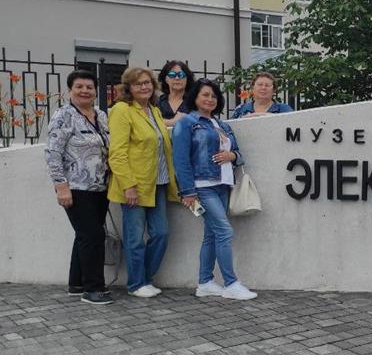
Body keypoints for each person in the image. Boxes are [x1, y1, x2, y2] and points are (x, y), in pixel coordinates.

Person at [173, 79, 257, 301]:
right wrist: (187, 191)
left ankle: (205, 283)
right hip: (201, 187)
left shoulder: (222, 125)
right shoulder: (187, 123)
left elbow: (238, 154)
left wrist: (232, 155)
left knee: (211, 234)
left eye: (213, 96)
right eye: (205, 95)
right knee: (224, 232)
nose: (210, 99)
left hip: (223, 185)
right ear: (195, 97)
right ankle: (231, 283)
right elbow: (180, 160)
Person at [107, 67, 178, 298]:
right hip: (135, 185)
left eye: (147, 82)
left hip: (158, 183)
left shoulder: (154, 111)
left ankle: (145, 278)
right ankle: (136, 284)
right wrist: (128, 186)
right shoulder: (121, 110)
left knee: (161, 234)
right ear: (129, 87)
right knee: (135, 238)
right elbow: (117, 153)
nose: (144, 87)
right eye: (138, 84)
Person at [44, 70, 113, 305]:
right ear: (70, 90)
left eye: (89, 87)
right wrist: (60, 186)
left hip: (100, 188)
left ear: (95, 91)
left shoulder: (101, 115)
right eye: (79, 87)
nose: (85, 91)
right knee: (93, 235)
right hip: (76, 187)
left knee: (85, 234)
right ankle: (93, 289)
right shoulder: (64, 115)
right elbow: (53, 153)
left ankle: (76, 283)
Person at [156, 60, 195, 127]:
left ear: (187, 79)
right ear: (166, 79)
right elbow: (151, 123)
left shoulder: (194, 102)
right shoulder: (157, 102)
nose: (177, 78)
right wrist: (173, 121)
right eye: (172, 75)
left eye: (181, 75)